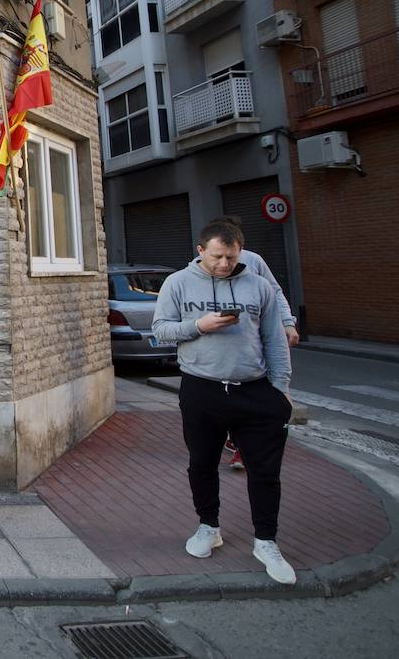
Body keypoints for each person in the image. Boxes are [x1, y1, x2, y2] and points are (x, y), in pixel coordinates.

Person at [153, 217, 296, 585]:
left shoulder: (259, 286)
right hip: (203, 388)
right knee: (201, 463)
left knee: (265, 472)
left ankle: (265, 540)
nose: (224, 265)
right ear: (200, 251)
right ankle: (208, 526)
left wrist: (280, 391)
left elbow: (275, 341)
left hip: (255, 389)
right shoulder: (178, 283)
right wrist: (198, 326)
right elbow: (161, 331)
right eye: (217, 256)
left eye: (231, 257)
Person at [208, 215, 300, 472]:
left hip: (256, 340)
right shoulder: (203, 264)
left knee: (263, 396)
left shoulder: (253, 261)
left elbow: (275, 291)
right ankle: (237, 441)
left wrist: (287, 322)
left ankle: (246, 447)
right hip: (224, 345)